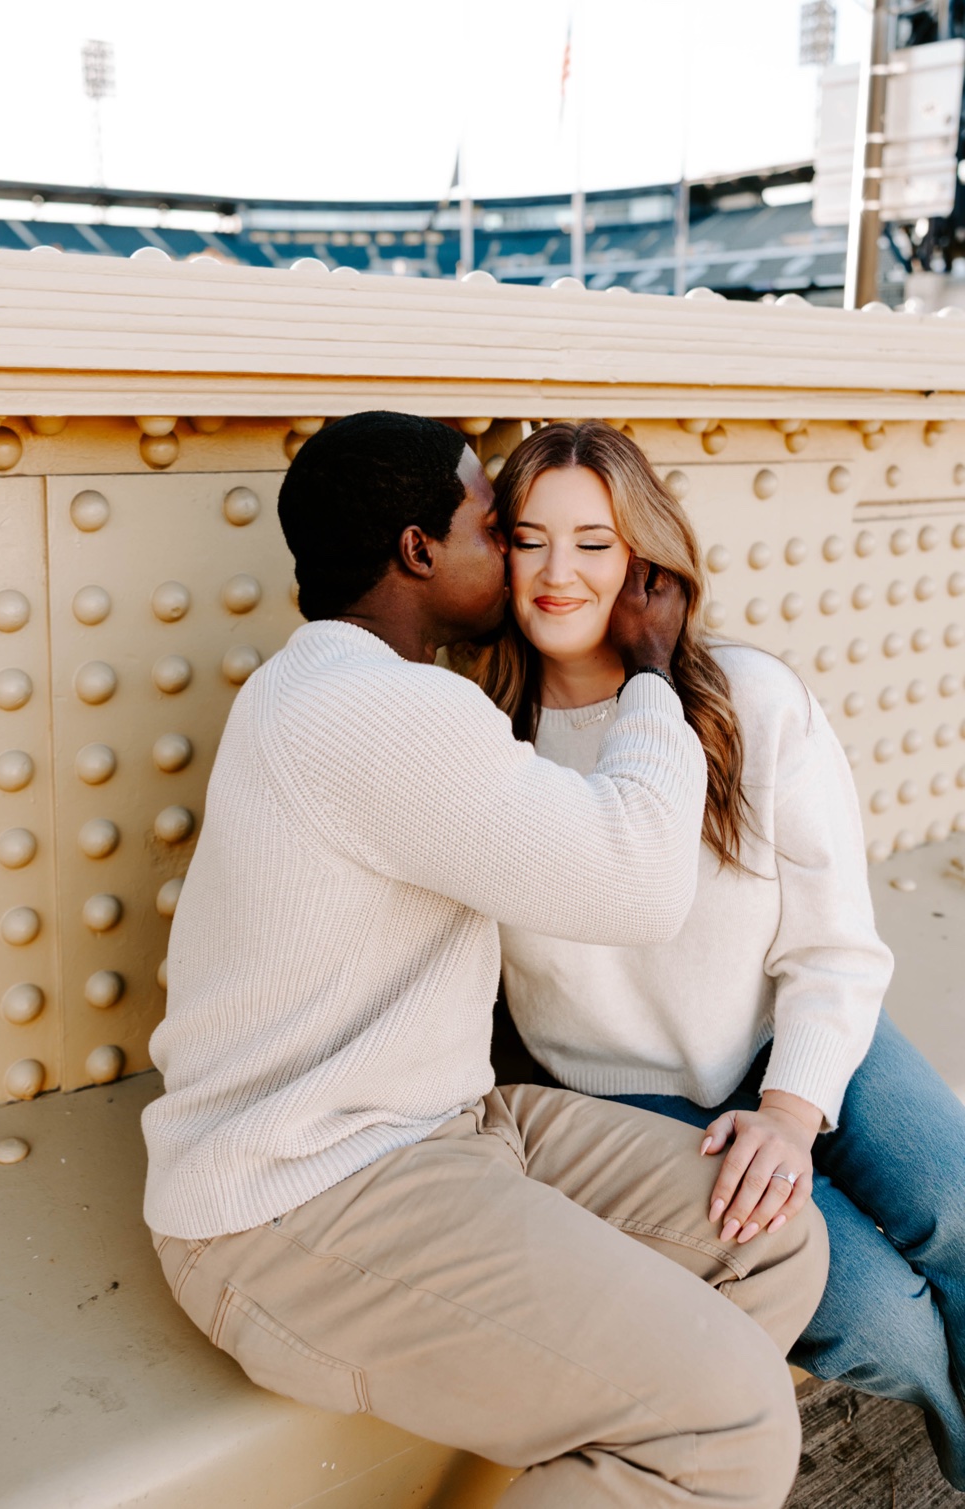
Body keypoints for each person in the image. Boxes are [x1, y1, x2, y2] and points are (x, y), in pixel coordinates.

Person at [142, 409, 831, 1508]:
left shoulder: (328, 687)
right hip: (296, 1201)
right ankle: (678, 1443)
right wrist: (648, 670)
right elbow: (636, 885)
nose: (515, 553)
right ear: (418, 552)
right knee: (734, 1421)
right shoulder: (377, 709)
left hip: (441, 1127)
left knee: (767, 1241)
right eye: (492, 524)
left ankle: (616, 1459)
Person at [480, 419, 965, 1488]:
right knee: (882, 1322)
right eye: (529, 540)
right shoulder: (478, 744)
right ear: (494, 553)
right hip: (632, 1103)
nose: (559, 574)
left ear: (643, 557)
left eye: (593, 544)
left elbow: (835, 940)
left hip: (780, 1028)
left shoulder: (749, 697)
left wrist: (792, 1111)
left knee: (957, 1208)